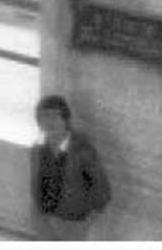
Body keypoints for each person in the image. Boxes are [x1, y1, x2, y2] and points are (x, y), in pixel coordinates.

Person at [30, 93, 111, 239]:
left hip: (74, 224)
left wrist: (87, 222)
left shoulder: (83, 152)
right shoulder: (37, 149)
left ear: (66, 120)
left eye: (54, 117)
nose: (49, 123)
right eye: (44, 118)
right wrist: (39, 216)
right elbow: (36, 183)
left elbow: (102, 190)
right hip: (46, 222)